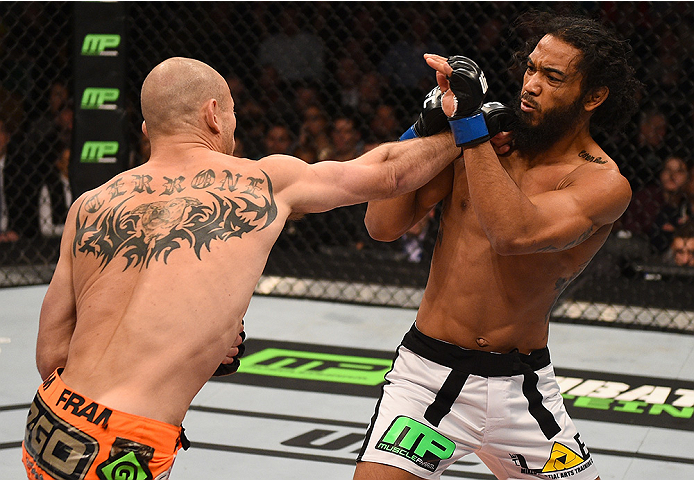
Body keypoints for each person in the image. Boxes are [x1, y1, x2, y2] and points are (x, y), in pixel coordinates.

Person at [22, 56, 462, 480]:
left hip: (50, 423)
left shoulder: (90, 205)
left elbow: (52, 356)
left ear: (146, 128)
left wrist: (191, 346)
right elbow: (388, 177)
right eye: (232, 113)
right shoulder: (261, 181)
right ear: (214, 114)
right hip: (124, 443)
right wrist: (466, 130)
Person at [355, 13, 639, 480]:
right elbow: (382, 224)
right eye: (531, 69)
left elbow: (514, 234)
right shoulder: (483, 144)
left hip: (522, 387)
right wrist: (424, 130)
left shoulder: (602, 183)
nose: (531, 85)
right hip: (427, 375)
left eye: (552, 77)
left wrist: (468, 129)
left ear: (593, 96)